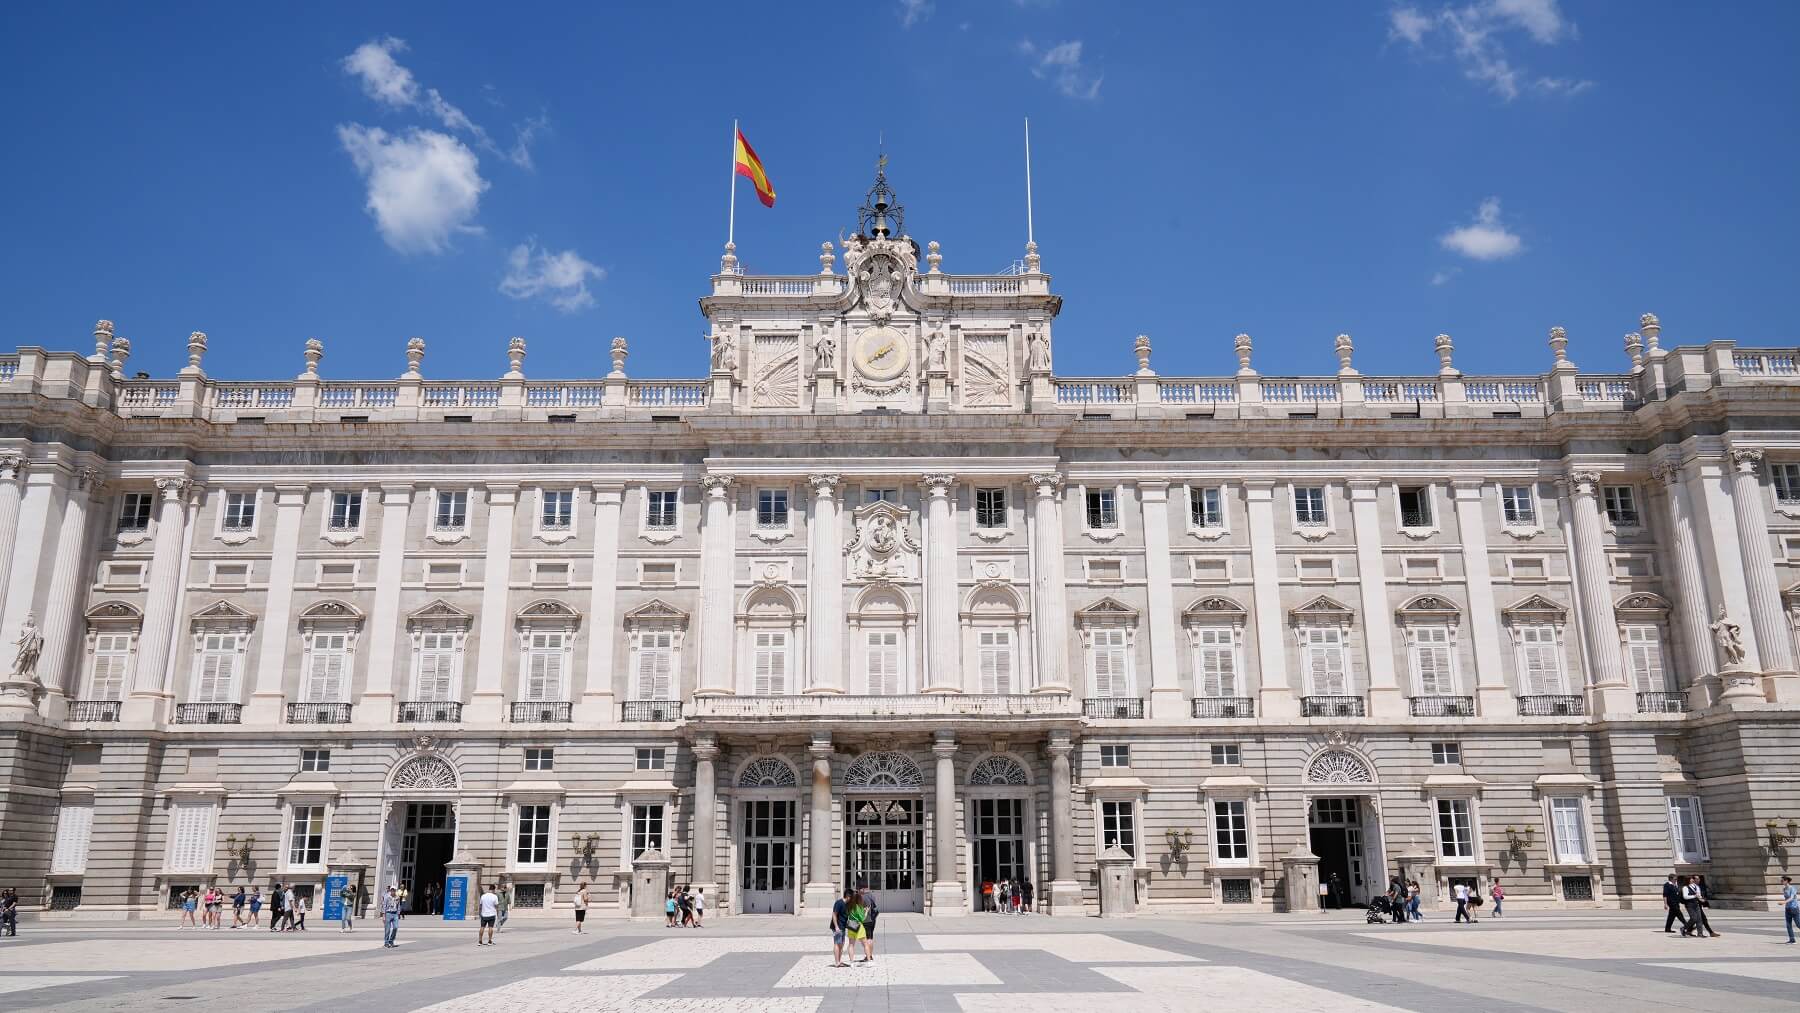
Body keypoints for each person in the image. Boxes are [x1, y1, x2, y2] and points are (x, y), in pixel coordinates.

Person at [829, 887, 853, 968]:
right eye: (851, 897)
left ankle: (839, 961)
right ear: (848, 896)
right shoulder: (839, 903)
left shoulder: (847, 904)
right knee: (837, 943)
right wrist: (836, 927)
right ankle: (836, 962)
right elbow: (834, 914)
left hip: (842, 926)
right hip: (837, 926)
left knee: (842, 944)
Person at [847, 890, 872, 964]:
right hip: (859, 926)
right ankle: (869, 961)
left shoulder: (849, 906)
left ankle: (851, 962)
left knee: (851, 945)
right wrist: (866, 911)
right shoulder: (859, 907)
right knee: (865, 944)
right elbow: (862, 919)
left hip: (851, 925)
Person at [859, 887, 879, 961]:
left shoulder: (863, 897)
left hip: (866, 920)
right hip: (873, 919)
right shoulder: (872, 896)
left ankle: (868, 956)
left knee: (867, 938)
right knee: (870, 937)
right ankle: (870, 955)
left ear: (863, 890)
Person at [1781, 876, 1798, 944]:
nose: (1781, 882)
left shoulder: (1792, 888)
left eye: (1782, 880)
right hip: (1787, 909)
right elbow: (1786, 898)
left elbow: (1791, 898)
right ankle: (1792, 940)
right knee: (1788, 925)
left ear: (1786, 881)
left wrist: (1784, 902)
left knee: (1798, 924)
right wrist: (1785, 903)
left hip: (1794, 908)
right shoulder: (1784, 889)